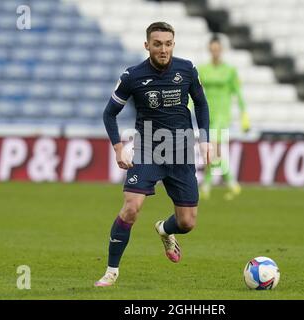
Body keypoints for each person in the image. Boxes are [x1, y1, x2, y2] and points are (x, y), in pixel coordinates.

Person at [95, 22, 211, 287]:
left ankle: (165, 230)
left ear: (173, 44)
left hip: (181, 150)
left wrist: (205, 140)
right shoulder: (132, 76)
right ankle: (111, 271)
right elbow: (109, 113)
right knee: (131, 209)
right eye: (157, 44)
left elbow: (202, 104)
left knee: (187, 222)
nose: (163, 49)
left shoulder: (187, 69)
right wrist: (117, 147)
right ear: (147, 45)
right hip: (148, 149)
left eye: (168, 43)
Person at [197, 35, 250, 201]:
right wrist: (187, 108)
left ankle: (209, 186)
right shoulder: (202, 69)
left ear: (222, 50)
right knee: (214, 152)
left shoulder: (230, 71)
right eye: (212, 49)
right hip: (207, 115)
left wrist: (244, 115)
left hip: (222, 116)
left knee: (211, 149)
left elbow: (238, 93)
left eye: (217, 49)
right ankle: (230, 184)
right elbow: (195, 93)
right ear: (209, 50)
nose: (215, 52)